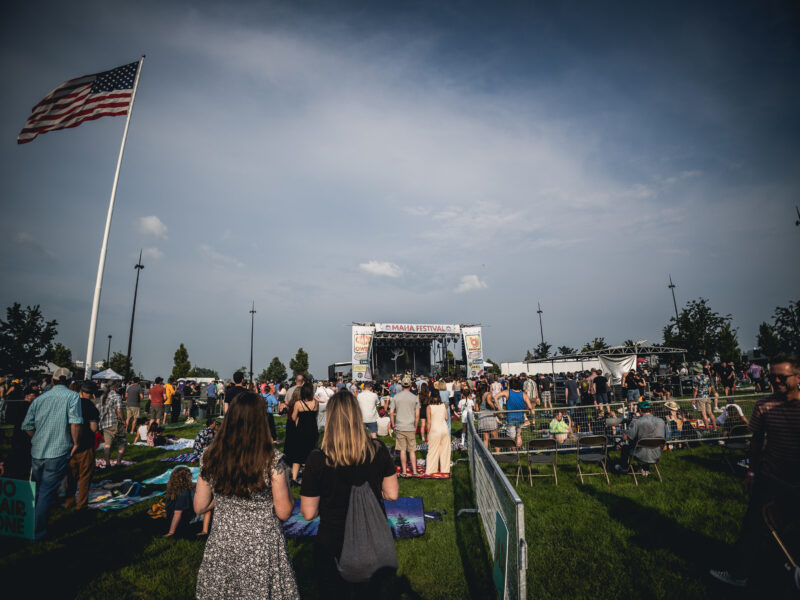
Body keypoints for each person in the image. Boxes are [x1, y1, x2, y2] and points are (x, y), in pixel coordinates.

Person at [194, 391, 299, 599]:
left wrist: (224, 498)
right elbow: (285, 512)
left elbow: (200, 506)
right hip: (262, 546)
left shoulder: (210, 456)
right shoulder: (272, 460)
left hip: (223, 543)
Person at [710, 354, 800, 587]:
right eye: (772, 377)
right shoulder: (764, 405)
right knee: (753, 527)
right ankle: (739, 574)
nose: (776, 381)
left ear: (798, 376)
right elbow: (757, 441)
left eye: (782, 377)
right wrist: (751, 473)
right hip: (770, 475)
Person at [300, 390, 399, 597]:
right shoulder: (378, 450)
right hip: (371, 540)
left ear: (330, 419)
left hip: (332, 545)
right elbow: (392, 494)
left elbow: (308, 513)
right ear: (357, 416)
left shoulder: (318, 459)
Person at [21, 367, 83, 539]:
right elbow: (76, 422)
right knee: (46, 491)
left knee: (39, 489)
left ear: (52, 380)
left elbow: (27, 425)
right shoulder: (72, 396)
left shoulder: (40, 399)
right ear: (70, 382)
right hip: (58, 449)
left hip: (38, 450)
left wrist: (37, 438)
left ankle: (29, 524)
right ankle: (37, 530)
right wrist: (76, 442)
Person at [65, 381, 100, 511]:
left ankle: (69, 501)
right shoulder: (91, 407)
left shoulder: (71, 403)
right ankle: (82, 504)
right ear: (92, 394)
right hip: (86, 445)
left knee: (71, 475)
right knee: (85, 476)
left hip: (70, 444)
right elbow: (93, 427)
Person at [614, 400, 666, 475]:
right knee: (646, 444)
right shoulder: (661, 421)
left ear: (640, 410)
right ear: (650, 410)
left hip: (641, 454)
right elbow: (666, 438)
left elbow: (625, 438)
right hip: (657, 454)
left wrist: (627, 429)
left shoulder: (637, 422)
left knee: (625, 447)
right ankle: (645, 469)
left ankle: (624, 468)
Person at [284, 382, 318, 484]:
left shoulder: (298, 403)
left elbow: (293, 418)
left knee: (297, 456)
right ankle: (309, 477)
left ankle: (294, 479)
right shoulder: (316, 402)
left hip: (301, 431)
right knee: (310, 453)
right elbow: (315, 415)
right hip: (312, 430)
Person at [390, 377, 420, 476]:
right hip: (410, 426)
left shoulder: (396, 397)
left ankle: (403, 471)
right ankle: (414, 471)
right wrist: (415, 426)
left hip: (399, 426)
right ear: (410, 385)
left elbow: (391, 412)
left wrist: (393, 424)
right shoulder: (414, 397)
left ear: (401, 385)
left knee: (402, 450)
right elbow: (417, 415)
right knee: (412, 450)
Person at [493, 377, 533, 447]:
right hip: (520, 418)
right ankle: (518, 448)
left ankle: (515, 452)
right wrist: (525, 408)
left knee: (511, 437)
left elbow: (495, 397)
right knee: (518, 434)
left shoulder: (507, 392)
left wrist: (499, 408)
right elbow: (530, 407)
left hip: (510, 417)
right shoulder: (523, 394)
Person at [99, 382, 127, 468]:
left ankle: (107, 463)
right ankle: (118, 462)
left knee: (107, 444)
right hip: (115, 422)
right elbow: (119, 410)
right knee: (122, 442)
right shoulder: (116, 396)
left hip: (105, 422)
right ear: (115, 387)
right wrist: (123, 420)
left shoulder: (103, 396)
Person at [164, 466, 197, 538]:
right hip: (182, 520)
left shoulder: (173, 487)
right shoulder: (184, 492)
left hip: (170, 515)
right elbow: (178, 513)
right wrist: (171, 532)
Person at [425, 389, 451, 475]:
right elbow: (446, 418)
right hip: (444, 429)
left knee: (433, 451)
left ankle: (431, 470)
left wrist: (427, 433)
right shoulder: (443, 405)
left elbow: (428, 422)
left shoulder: (429, 407)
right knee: (445, 450)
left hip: (434, 429)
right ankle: (445, 469)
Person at [476, 381, 499, 448]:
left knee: (485, 438)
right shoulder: (488, 394)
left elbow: (477, 409)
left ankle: (485, 455)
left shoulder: (478, 396)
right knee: (495, 437)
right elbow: (489, 402)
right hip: (490, 416)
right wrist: (495, 408)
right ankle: (497, 454)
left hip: (482, 417)